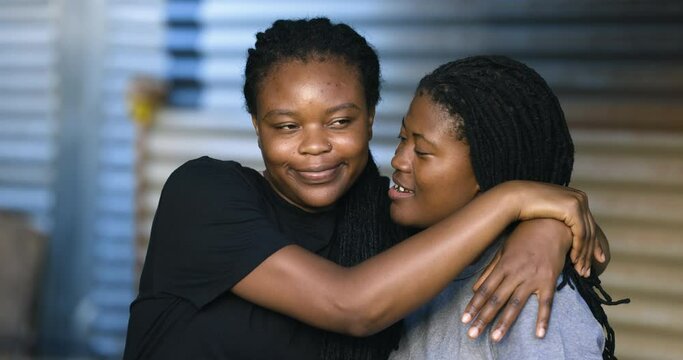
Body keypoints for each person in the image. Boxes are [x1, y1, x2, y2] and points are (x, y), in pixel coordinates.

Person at [123, 19, 608, 360]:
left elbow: (587, 251)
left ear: (370, 117)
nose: (315, 147)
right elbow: (351, 305)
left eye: (339, 122)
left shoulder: (395, 217)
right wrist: (516, 201)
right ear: (256, 125)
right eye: (287, 126)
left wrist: (545, 229)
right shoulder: (203, 195)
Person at [387, 56, 626, 360]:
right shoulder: (398, 251)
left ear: (487, 173)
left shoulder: (528, 291)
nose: (398, 160)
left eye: (421, 151)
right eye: (401, 137)